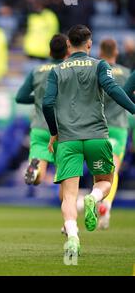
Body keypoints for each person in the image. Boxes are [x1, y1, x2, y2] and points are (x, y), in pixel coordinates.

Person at [42, 25, 135, 260]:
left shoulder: (58, 70)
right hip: (96, 136)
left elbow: (47, 103)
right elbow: (114, 91)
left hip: (68, 139)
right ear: (89, 44)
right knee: (104, 181)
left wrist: (54, 132)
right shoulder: (100, 65)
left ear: (68, 45)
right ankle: (93, 197)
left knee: (70, 195)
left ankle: (72, 236)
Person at [16, 34, 69, 186]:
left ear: (49, 52)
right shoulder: (70, 70)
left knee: (39, 171)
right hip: (64, 130)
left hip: (40, 127)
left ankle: (36, 170)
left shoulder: (37, 70)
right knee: (66, 179)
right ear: (67, 52)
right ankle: (67, 206)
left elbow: (20, 97)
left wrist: (39, 99)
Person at [97, 39, 133, 229]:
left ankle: (89, 198)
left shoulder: (95, 71)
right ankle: (106, 205)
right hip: (119, 128)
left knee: (99, 171)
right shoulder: (127, 74)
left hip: (97, 127)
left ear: (99, 52)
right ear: (116, 52)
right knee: (113, 170)